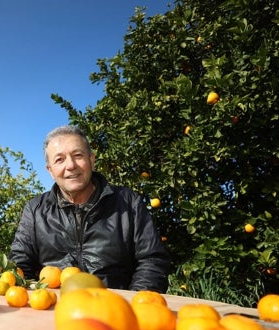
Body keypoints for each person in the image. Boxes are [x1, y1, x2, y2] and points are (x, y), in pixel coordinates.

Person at [9, 125, 171, 293]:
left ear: (91, 160)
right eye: (59, 160)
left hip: (115, 309)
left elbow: (152, 261)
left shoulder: (128, 203)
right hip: (55, 309)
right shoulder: (35, 211)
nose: (71, 165)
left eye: (78, 155)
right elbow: (20, 264)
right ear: (50, 171)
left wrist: (132, 303)